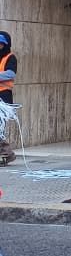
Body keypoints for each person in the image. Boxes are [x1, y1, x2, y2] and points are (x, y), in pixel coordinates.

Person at [0, 31, 17, 164]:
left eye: (1, 44)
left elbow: (10, 74)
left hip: (4, 96)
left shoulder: (10, 57)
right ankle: (6, 153)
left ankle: (6, 153)